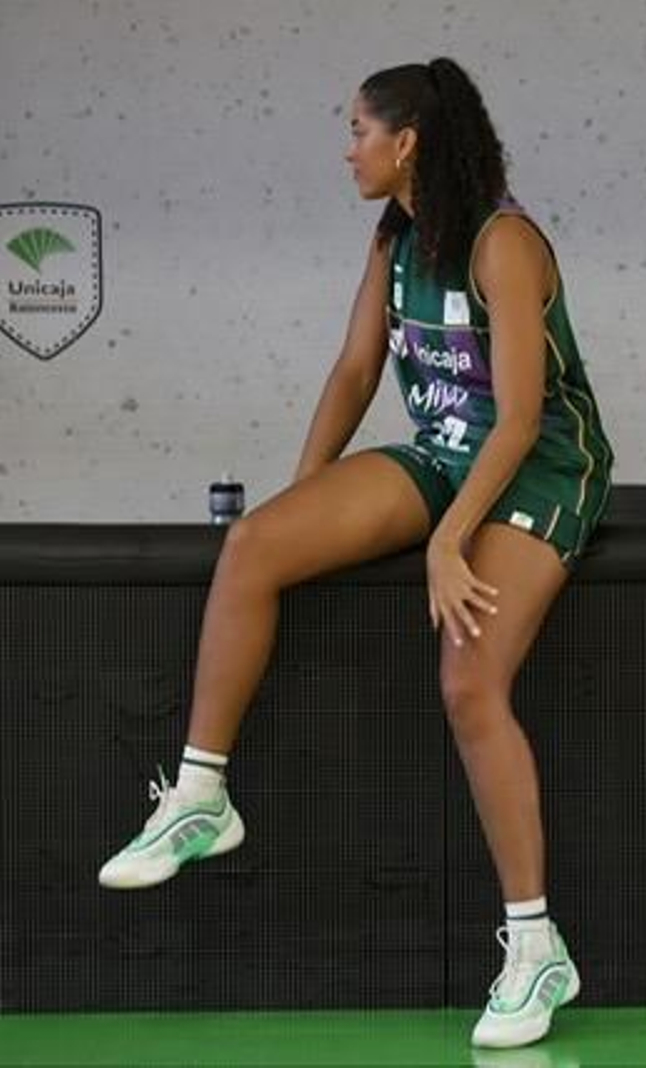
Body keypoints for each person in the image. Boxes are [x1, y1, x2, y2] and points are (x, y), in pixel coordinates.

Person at [97, 58, 613, 1048]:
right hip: (441, 455)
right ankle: (201, 795)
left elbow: (518, 420)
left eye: (357, 131)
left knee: (467, 682)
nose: (348, 150)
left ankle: (536, 947)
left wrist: (450, 540)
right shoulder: (394, 238)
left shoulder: (502, 242)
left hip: (539, 469)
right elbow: (354, 368)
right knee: (253, 545)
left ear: (405, 142)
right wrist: (306, 500)